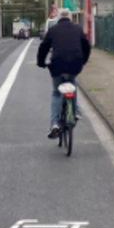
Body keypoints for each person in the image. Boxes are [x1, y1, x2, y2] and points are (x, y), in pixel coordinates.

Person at [36, 8, 91, 139]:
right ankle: (76, 110)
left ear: (58, 18)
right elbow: (87, 46)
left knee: (56, 92)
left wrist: (41, 63)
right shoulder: (77, 29)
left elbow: (43, 47)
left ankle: (54, 124)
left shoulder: (53, 30)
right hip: (75, 64)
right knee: (72, 82)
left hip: (57, 65)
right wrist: (83, 60)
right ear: (71, 18)